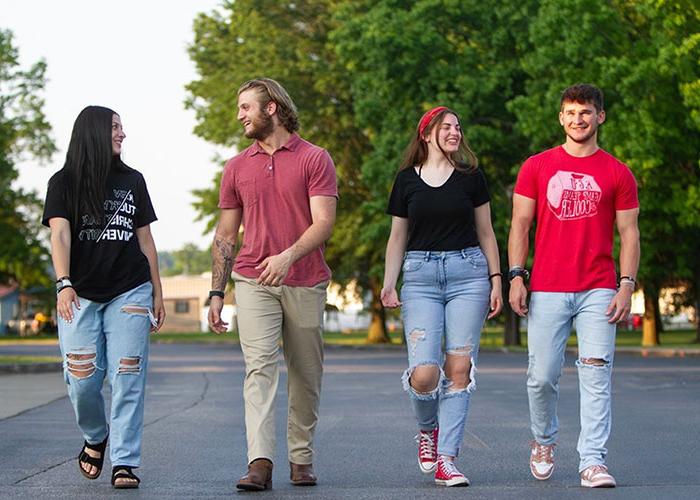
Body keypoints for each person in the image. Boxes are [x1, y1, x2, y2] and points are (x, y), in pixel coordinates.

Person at [208, 78, 337, 491]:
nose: (240, 115)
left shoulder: (315, 158)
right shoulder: (236, 167)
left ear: (271, 108)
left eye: (246, 107)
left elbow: (324, 223)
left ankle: (301, 456)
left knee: (305, 372)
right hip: (251, 278)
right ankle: (259, 463)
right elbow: (226, 235)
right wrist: (216, 292)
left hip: (305, 279)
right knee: (259, 367)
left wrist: (287, 256)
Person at [508, 83, 640, 488]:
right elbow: (520, 225)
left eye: (585, 112)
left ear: (600, 116)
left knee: (596, 373)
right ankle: (544, 441)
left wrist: (626, 285)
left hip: (599, 288)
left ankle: (593, 460)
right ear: (560, 118)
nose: (577, 119)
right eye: (570, 113)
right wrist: (516, 275)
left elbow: (629, 234)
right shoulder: (536, 166)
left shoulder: (617, 172)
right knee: (542, 376)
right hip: (547, 286)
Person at [42, 106, 165, 489]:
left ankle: (125, 461)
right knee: (82, 381)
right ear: (94, 131)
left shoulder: (133, 180)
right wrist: (64, 283)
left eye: (122, 127)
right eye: (115, 127)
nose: (122, 134)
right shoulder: (63, 182)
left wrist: (158, 292)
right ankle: (95, 436)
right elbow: (59, 235)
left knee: (128, 374)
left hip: (130, 288)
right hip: (78, 293)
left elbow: (145, 240)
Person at [381, 106, 503, 487]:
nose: (455, 132)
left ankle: (448, 458)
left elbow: (486, 232)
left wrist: (497, 279)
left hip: (469, 275)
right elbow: (397, 236)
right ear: (426, 134)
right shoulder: (406, 181)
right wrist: (389, 282)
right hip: (420, 279)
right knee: (425, 374)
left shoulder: (471, 178)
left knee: (459, 371)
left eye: (457, 127)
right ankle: (427, 429)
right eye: (446, 126)